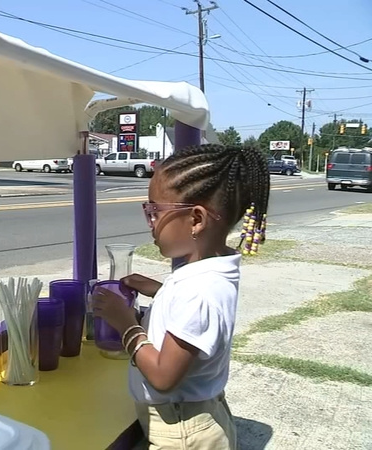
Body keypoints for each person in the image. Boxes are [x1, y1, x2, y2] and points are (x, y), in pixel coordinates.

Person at [92, 144, 270, 450]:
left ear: (196, 219)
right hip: (190, 417)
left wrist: (125, 324)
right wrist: (160, 292)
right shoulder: (209, 272)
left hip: (182, 432)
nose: (150, 221)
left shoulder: (199, 291)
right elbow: (192, 315)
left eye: (154, 211)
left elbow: (163, 376)